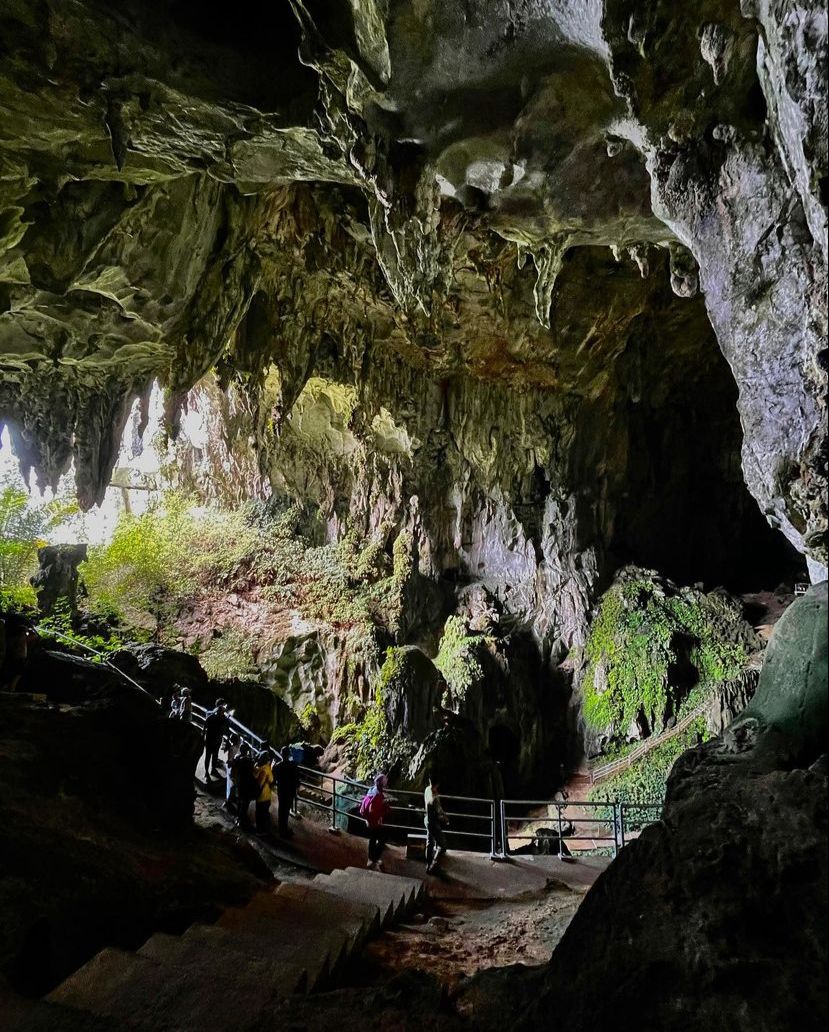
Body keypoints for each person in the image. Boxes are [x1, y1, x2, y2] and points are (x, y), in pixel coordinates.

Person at [360, 774, 391, 870]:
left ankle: (371, 858)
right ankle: (374, 858)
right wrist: (382, 810)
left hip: (369, 820)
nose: (386, 782)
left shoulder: (372, 790)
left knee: (373, 838)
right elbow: (372, 810)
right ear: (382, 783)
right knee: (383, 838)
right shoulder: (377, 795)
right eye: (385, 781)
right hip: (374, 821)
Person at [424, 772, 449, 873]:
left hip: (428, 820)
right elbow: (436, 808)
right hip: (433, 822)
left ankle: (428, 865)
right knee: (442, 845)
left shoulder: (427, 789)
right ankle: (434, 865)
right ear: (437, 784)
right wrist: (444, 818)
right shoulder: (433, 796)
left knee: (430, 842)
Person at [274, 746, 299, 838]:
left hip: (281, 790)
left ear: (281, 754)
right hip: (290, 791)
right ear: (289, 755)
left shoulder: (277, 766)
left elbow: (274, 778)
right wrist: (296, 787)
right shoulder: (293, 765)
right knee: (286, 810)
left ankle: (281, 829)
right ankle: (284, 829)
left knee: (281, 809)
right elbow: (297, 779)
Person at [202, 699, 229, 780]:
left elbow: (204, 728)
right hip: (211, 739)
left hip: (215, 740)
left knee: (214, 755)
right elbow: (205, 728)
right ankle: (207, 772)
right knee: (208, 756)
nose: (223, 712)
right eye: (222, 711)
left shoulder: (214, 717)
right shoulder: (216, 718)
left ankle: (212, 770)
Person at [232, 744, 256, 831]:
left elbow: (234, 767)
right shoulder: (249, 761)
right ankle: (243, 819)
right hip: (247, 784)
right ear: (246, 751)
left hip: (239, 782)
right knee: (245, 803)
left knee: (239, 801)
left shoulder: (237, 759)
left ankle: (238, 818)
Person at [254, 750, 275, 836]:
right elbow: (268, 781)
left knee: (260, 813)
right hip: (265, 795)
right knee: (263, 813)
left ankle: (260, 830)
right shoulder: (266, 769)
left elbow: (257, 782)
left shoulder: (258, 768)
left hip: (261, 796)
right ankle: (263, 830)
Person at [224, 734, 243, 813]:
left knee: (234, 785)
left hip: (236, 770)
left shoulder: (237, 748)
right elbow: (230, 761)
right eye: (239, 740)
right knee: (231, 785)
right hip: (233, 770)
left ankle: (231, 799)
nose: (240, 741)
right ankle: (228, 801)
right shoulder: (232, 749)